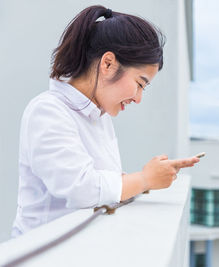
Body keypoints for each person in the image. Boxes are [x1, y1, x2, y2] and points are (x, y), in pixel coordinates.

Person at [11, 5, 199, 237]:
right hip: (43, 253)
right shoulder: (48, 110)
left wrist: (150, 176)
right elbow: (82, 189)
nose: (138, 99)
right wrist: (145, 179)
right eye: (140, 84)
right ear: (108, 64)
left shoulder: (99, 117)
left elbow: (106, 188)